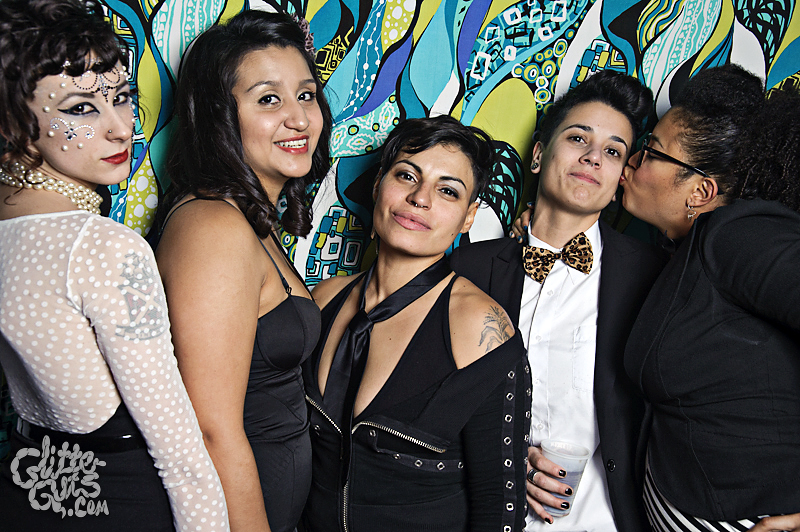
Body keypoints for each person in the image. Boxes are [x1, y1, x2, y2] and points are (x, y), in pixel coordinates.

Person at [0, 1, 228, 531]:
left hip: (26, 488)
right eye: (81, 107)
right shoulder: (101, 248)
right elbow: (181, 458)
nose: (121, 128)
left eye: (122, 97)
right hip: (120, 500)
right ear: (13, 121)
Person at [450, 70, 664, 532]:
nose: (593, 157)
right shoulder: (469, 269)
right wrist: (506, 461)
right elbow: (438, 410)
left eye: (612, 151)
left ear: (620, 179)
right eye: (578, 138)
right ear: (538, 154)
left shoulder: (653, 276)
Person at [301, 115, 530, 531]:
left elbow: (499, 505)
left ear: (468, 217)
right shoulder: (323, 300)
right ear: (378, 186)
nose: (420, 198)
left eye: (447, 190)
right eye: (407, 175)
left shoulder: (481, 328)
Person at [155, 10, 332, 532]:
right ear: (220, 117)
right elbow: (209, 429)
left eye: (306, 95)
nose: (299, 119)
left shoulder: (250, 221)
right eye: (268, 99)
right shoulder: (212, 226)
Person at [620, 64, 800, 532]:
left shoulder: (736, 234)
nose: (631, 161)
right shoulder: (683, 254)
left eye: (651, 150)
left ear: (700, 191)